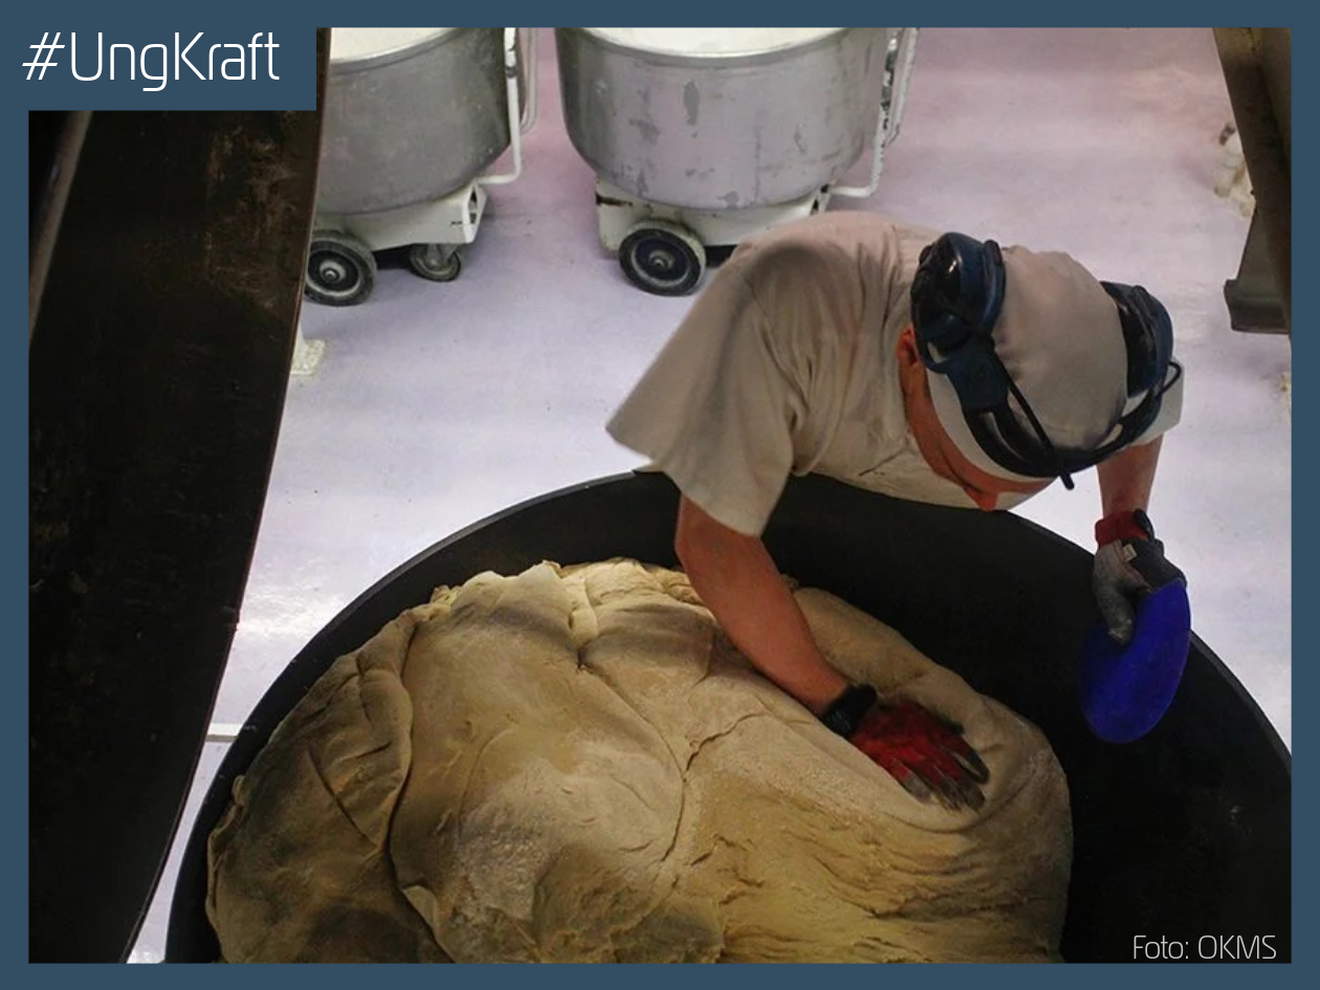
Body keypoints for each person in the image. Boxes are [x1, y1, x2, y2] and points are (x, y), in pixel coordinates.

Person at [606, 211, 1186, 811]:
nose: (985, 507)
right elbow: (713, 543)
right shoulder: (779, 306)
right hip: (767, 456)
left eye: (1012, 489)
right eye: (963, 476)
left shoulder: (1106, 349)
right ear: (912, 356)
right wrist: (843, 707)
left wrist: (1123, 526)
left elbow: (1144, 412)